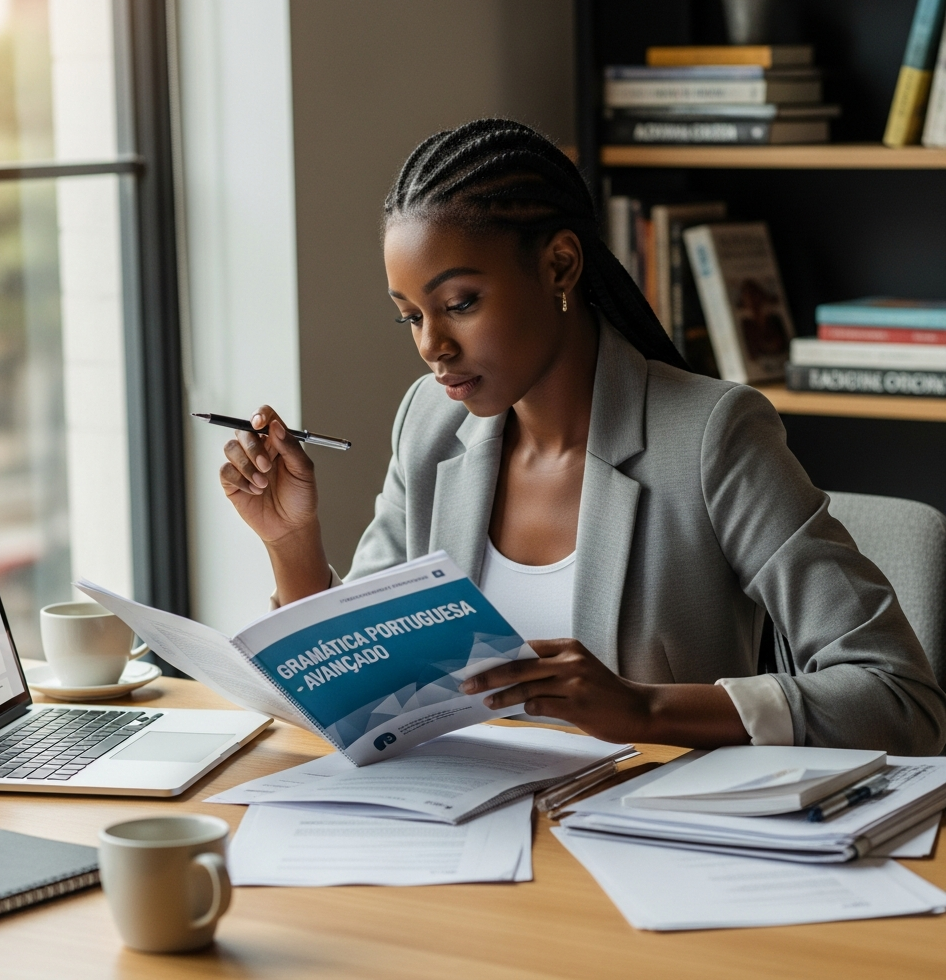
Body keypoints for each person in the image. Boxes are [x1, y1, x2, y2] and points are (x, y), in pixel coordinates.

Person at [220, 118, 946, 754]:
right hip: (464, 830)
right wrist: (292, 543)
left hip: (648, 838)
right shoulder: (431, 423)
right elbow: (367, 683)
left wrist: (644, 708)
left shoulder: (710, 437)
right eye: (411, 316)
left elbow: (900, 698)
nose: (431, 346)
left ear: (560, 265)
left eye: (460, 304)